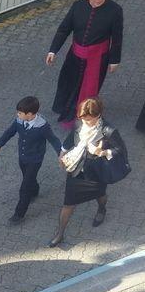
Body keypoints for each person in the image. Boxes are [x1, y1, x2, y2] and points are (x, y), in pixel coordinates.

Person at [49, 97, 130, 247]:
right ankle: (60, 233)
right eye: (83, 119)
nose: (85, 122)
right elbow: (69, 139)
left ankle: (102, 209)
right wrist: (62, 153)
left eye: (89, 119)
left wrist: (103, 152)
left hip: (97, 172)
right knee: (68, 202)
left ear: (98, 115)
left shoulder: (109, 130)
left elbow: (121, 151)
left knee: (99, 194)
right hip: (77, 169)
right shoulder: (80, 123)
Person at [46, 0, 123, 129]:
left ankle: (82, 115)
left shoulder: (115, 10)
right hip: (75, 56)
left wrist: (115, 60)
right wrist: (53, 50)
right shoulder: (77, 6)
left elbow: (117, 37)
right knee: (67, 84)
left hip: (97, 59)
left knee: (86, 90)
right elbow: (64, 29)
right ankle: (64, 108)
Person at [0, 95, 62, 223]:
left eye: (19, 113)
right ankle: (34, 190)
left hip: (35, 160)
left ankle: (19, 214)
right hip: (23, 157)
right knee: (28, 177)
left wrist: (61, 153)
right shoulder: (19, 121)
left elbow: (54, 140)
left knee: (25, 187)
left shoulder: (42, 126)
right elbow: (9, 132)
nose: (17, 115)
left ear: (29, 114)